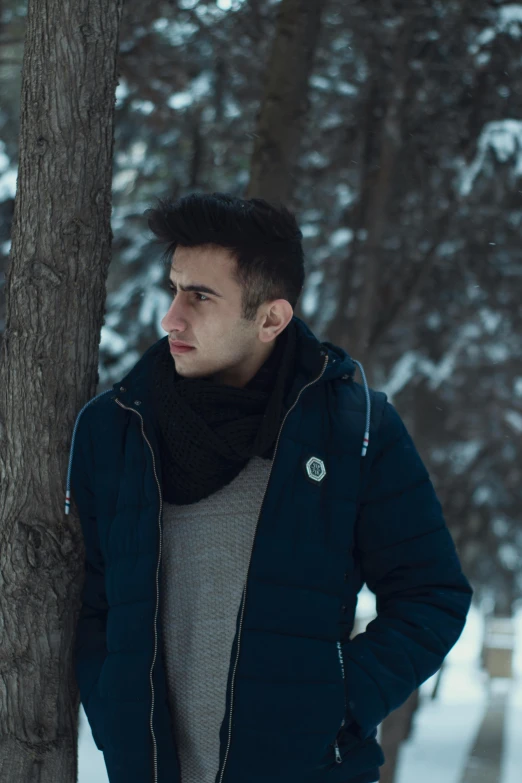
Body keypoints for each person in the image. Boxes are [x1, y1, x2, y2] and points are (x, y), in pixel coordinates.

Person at [66, 192, 473, 783]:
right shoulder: (116, 427)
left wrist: (334, 704)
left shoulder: (352, 429)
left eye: (200, 296)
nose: (170, 317)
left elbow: (431, 594)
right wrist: (114, 717)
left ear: (271, 319)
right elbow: (94, 600)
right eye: (175, 287)